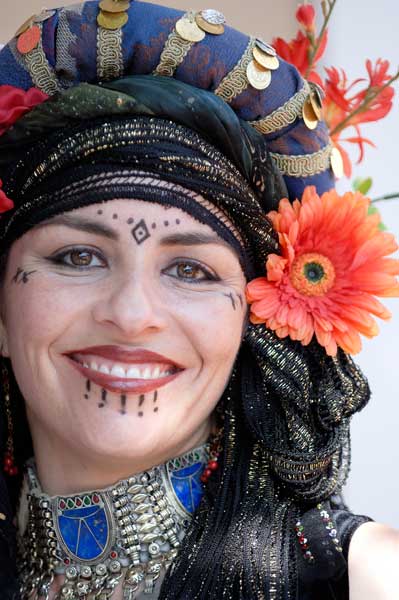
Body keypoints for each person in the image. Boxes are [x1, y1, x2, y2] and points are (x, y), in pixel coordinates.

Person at [0, 2, 397, 599]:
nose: (132, 315)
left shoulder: (365, 579)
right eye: (78, 257)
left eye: (191, 269)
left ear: (253, 322)